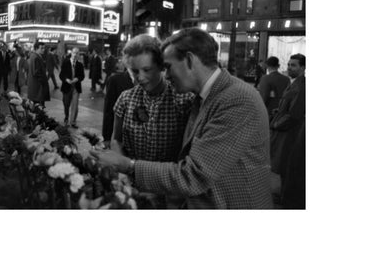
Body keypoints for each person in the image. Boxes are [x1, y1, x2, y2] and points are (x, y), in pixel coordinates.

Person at [92, 28, 273, 209]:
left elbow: (195, 175)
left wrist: (129, 166)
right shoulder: (204, 96)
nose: (167, 75)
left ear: (189, 60)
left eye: (168, 67)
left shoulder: (236, 99)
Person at [109, 34, 194, 163]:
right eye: (135, 71)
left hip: (168, 179)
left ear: (161, 66)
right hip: (131, 178)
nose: (140, 77)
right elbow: (116, 140)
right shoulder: (125, 99)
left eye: (147, 70)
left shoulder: (184, 100)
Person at [270, 53, 306, 207]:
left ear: (303, 68)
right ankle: (284, 194)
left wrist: (276, 124)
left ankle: (287, 198)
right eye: (289, 64)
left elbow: (294, 114)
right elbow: (286, 107)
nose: (289, 67)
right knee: (284, 166)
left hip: (291, 134)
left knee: (288, 165)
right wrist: (277, 112)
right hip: (285, 131)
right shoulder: (293, 83)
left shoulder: (301, 86)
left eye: (294, 65)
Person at [101, 67, 134, 145]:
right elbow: (109, 111)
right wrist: (106, 138)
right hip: (123, 140)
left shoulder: (151, 80)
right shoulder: (115, 80)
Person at [59, 47, 85, 128]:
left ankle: (73, 122)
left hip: (76, 88)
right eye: (74, 52)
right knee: (66, 104)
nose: (75, 54)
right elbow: (61, 75)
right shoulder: (65, 62)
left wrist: (77, 79)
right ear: (71, 53)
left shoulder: (80, 65)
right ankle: (66, 117)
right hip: (66, 87)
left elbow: (82, 76)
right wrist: (66, 79)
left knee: (75, 105)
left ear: (78, 55)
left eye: (77, 53)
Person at [27, 41, 50, 106]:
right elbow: (36, 72)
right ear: (36, 48)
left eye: (44, 48)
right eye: (41, 48)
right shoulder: (35, 57)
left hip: (36, 87)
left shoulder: (35, 56)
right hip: (38, 88)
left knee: (36, 106)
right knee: (38, 107)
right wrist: (44, 81)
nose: (43, 49)